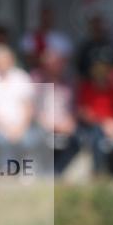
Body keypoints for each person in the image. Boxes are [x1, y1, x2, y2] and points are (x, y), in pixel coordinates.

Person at [34, 46, 80, 175]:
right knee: (37, 137)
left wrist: (70, 122)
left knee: (77, 140)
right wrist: (50, 124)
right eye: (51, 64)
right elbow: (33, 108)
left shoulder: (69, 83)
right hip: (43, 124)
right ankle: (43, 170)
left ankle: (57, 171)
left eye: (58, 64)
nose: (55, 67)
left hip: (64, 124)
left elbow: (74, 108)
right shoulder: (37, 80)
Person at [20, 3, 73, 72]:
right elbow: (28, 59)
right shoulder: (29, 37)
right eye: (43, 15)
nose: (46, 18)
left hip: (57, 78)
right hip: (36, 77)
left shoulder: (62, 38)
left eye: (48, 15)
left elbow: (66, 60)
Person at [75, 14, 113, 80]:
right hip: (89, 84)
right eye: (95, 25)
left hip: (109, 84)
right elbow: (80, 69)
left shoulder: (112, 46)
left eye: (100, 25)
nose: (98, 27)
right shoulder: (85, 47)